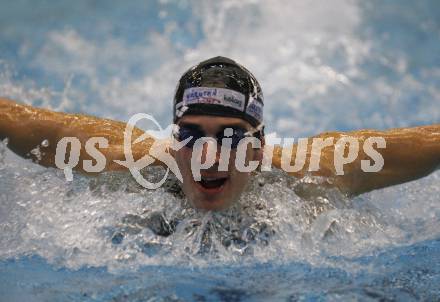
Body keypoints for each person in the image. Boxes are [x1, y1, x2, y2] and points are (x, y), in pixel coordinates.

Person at [0, 56, 439, 211]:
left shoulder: (314, 169)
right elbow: (27, 124)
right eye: (191, 134)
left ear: (259, 145)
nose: (208, 154)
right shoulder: (126, 158)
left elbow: (426, 142)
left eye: (230, 136)